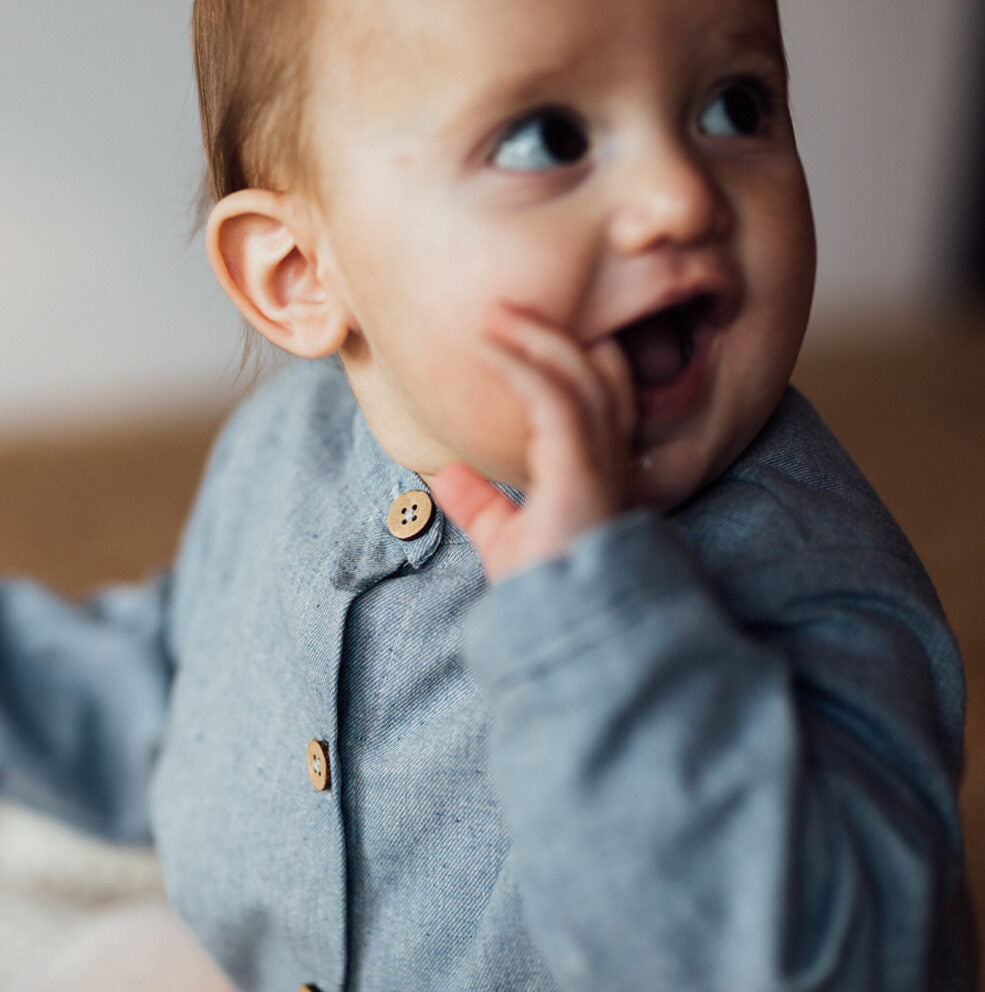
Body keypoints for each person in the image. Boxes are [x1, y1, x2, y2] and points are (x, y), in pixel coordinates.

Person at [0, 0, 976, 988]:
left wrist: (596, 624)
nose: (681, 195)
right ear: (298, 273)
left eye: (734, 108)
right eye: (548, 138)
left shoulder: (806, 570)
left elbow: (826, 962)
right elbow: (180, 689)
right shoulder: (285, 448)